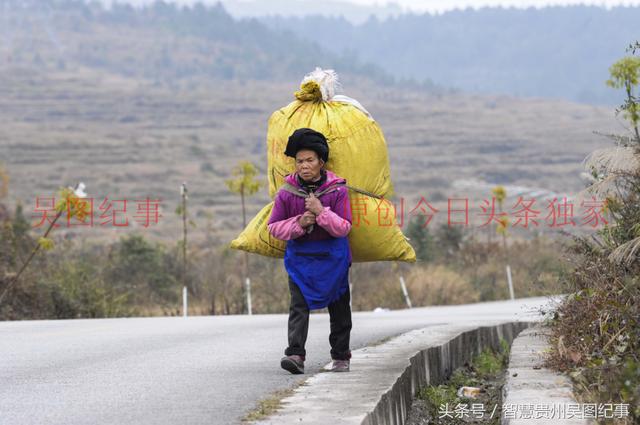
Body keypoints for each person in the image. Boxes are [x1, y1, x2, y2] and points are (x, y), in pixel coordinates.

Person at [267, 128, 353, 374]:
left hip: (333, 259)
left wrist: (320, 212)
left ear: (321, 162)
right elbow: (273, 227)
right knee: (298, 306)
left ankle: (340, 356)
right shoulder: (286, 193)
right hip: (301, 260)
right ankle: (295, 354)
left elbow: (344, 227)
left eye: (310, 160)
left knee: (339, 308)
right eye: (300, 161)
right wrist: (300, 224)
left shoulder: (337, 191)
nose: (304, 166)